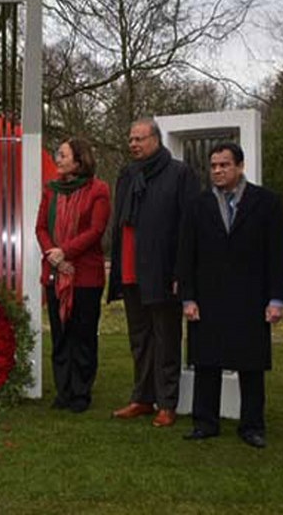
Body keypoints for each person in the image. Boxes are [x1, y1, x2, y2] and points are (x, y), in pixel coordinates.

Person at [178, 142, 283, 448]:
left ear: (240, 166)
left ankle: (252, 426)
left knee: (251, 364)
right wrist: (188, 298)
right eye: (213, 166)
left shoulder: (266, 202)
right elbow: (185, 254)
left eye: (224, 165)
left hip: (251, 297)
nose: (217, 171)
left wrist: (276, 298)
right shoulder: (197, 205)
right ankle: (205, 422)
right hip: (208, 296)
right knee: (206, 361)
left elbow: (278, 255)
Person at [108, 118, 200, 427]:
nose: (133, 144)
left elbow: (189, 228)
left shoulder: (180, 174)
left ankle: (167, 403)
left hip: (162, 272)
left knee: (167, 339)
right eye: (130, 139)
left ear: (156, 140)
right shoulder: (127, 175)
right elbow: (120, 226)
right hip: (132, 272)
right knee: (140, 339)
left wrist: (181, 272)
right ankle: (142, 398)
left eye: (139, 138)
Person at [36, 138, 110, 413]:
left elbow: (96, 230)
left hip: (85, 277)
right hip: (55, 273)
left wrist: (64, 252)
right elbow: (40, 227)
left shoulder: (98, 190)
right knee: (61, 335)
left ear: (79, 161)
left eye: (63, 154)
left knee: (83, 335)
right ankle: (63, 392)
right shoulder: (50, 190)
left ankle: (80, 393)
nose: (58, 158)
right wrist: (53, 255)